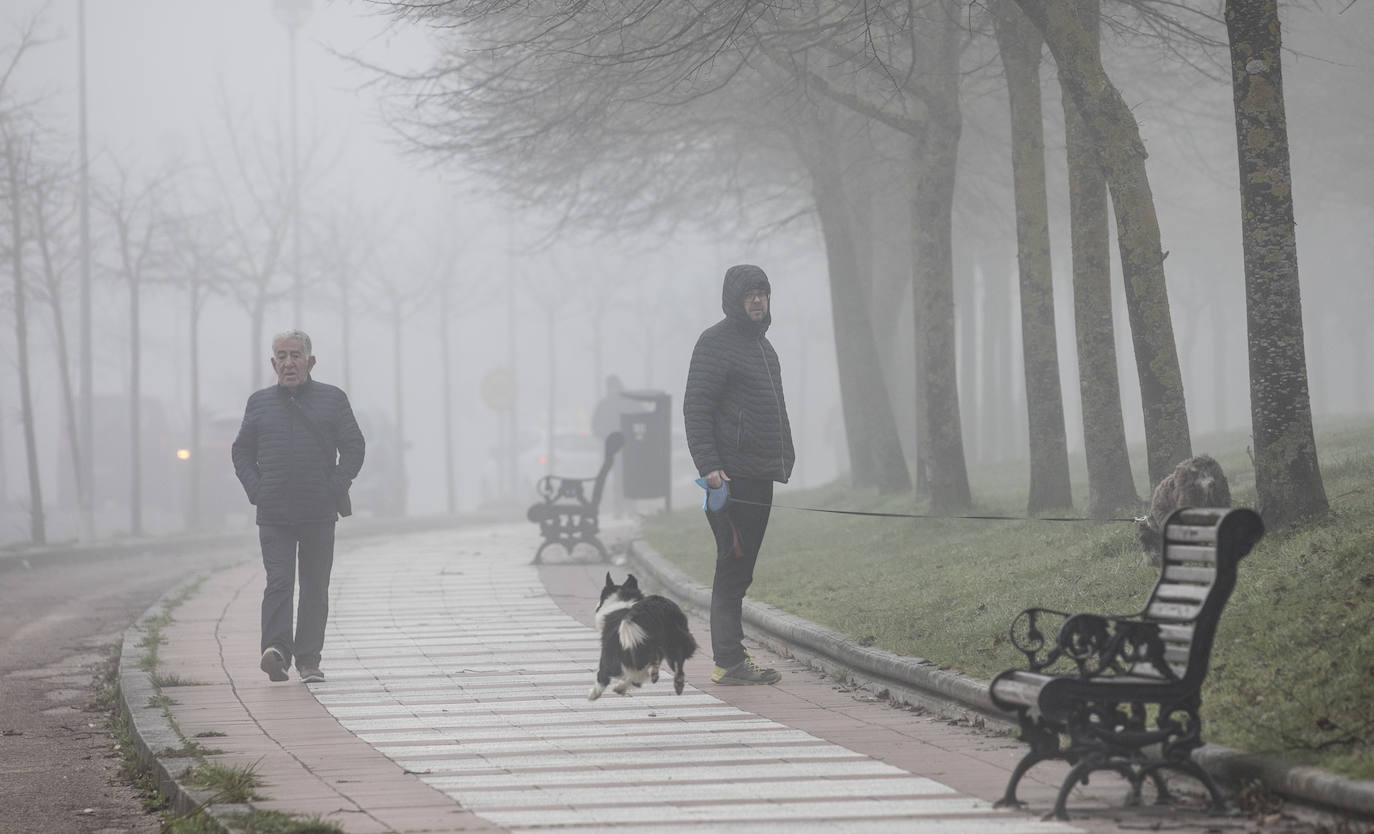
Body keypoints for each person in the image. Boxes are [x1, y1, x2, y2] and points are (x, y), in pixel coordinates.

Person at [683, 264, 795, 686]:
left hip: (759, 475)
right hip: (729, 479)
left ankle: (730, 657)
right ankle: (728, 660)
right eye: (749, 293)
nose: (757, 300)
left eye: (762, 293)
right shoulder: (715, 344)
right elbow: (696, 408)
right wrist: (710, 467)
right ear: (734, 298)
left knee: (741, 568)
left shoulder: (764, 349)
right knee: (732, 567)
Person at [231, 330, 365, 684]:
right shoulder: (259, 403)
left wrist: (334, 486)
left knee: (314, 585)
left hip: (318, 513)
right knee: (278, 582)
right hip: (274, 513)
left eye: (295, 355)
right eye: (281, 356)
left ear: (310, 361)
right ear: (272, 363)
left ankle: (308, 660)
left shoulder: (333, 400)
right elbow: (241, 451)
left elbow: (354, 447)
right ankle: (276, 652)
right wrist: (257, 490)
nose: (288, 362)